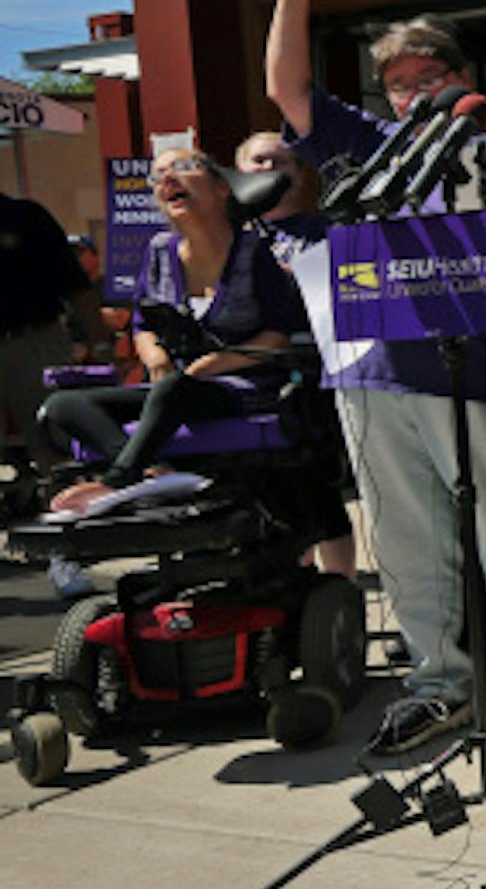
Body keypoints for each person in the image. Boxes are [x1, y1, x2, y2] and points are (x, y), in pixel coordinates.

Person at [266, 0, 486, 757]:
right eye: (396, 84)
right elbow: (287, 89)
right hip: (373, 369)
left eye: (424, 78)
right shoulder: (371, 142)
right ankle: (437, 682)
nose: (408, 96)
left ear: (459, 76)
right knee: (404, 544)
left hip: (474, 371)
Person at [42, 150, 304, 514]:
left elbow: (279, 336)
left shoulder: (254, 252)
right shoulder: (160, 251)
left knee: (174, 389)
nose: (167, 179)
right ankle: (152, 473)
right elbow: (143, 323)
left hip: (244, 385)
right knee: (62, 404)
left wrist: (209, 366)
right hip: (174, 386)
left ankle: (118, 480)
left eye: (183, 168)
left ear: (220, 189)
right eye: (157, 174)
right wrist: (155, 356)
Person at [232, 130, 357, 580]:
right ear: (238, 172)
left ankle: (341, 591)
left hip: (307, 381)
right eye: (259, 161)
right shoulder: (226, 238)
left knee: (317, 498)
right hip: (241, 382)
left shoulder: (324, 231)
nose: (269, 170)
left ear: (299, 176)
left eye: (281, 162)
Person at [0, 187, 110, 595]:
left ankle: (66, 557)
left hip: (36, 341)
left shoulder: (27, 217)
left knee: (56, 451)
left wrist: (100, 346)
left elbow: (76, 288)